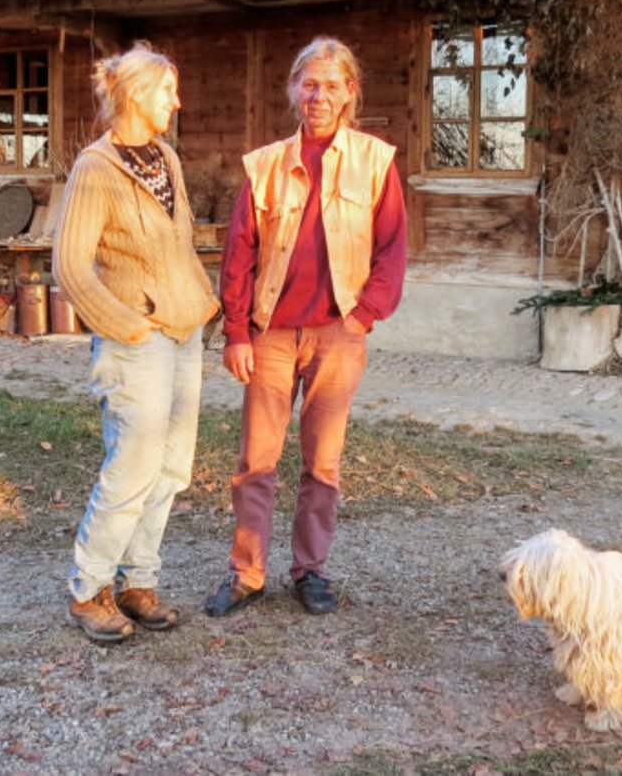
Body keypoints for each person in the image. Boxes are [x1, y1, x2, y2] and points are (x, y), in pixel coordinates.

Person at [204, 36, 407, 618]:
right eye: (309, 84)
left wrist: (364, 315)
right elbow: (239, 252)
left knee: (322, 462)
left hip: (338, 334)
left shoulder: (375, 161)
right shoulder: (265, 164)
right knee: (256, 462)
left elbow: (393, 250)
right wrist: (236, 332)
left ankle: (310, 570)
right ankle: (246, 573)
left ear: (350, 93)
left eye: (331, 86)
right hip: (269, 334)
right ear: (293, 89)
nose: (319, 96)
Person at [53, 42, 220, 644]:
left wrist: (205, 301)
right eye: (168, 90)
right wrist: (123, 325)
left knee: (171, 468)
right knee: (132, 466)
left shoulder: (166, 158)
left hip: (183, 333)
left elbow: (179, 244)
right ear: (137, 94)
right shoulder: (96, 167)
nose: (178, 101)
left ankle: (137, 582)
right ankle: (88, 588)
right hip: (137, 339)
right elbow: (69, 265)